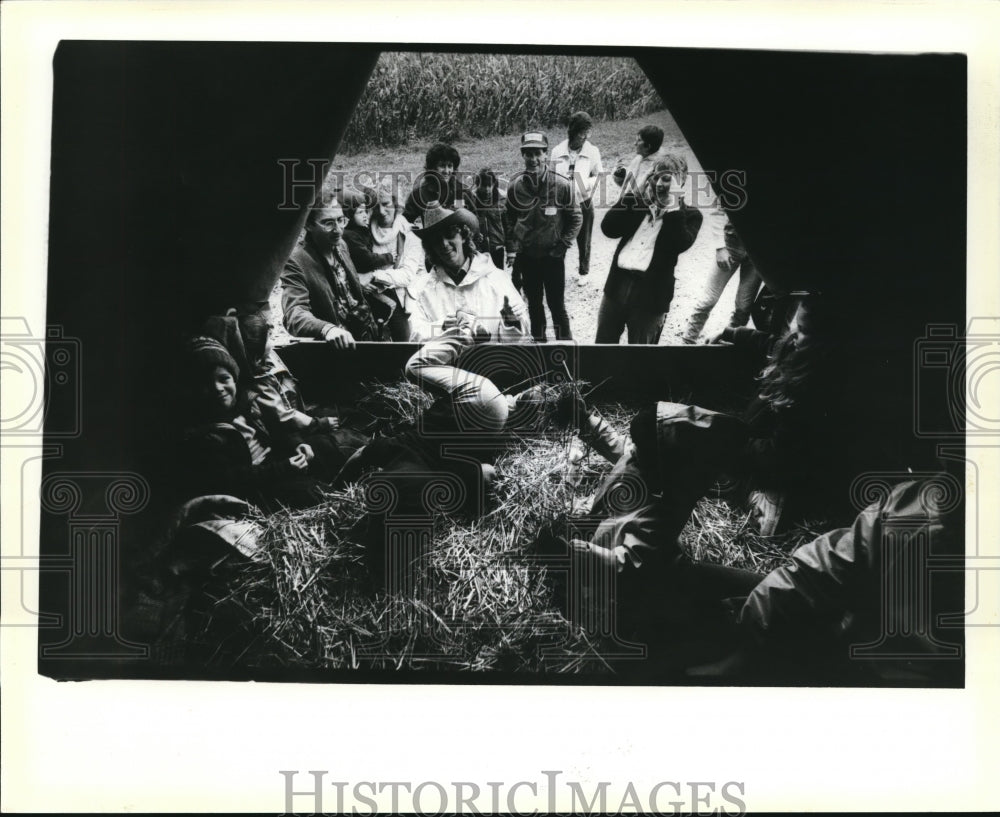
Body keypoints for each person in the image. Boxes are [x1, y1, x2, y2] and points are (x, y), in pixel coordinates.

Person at [595, 157, 703, 344]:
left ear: (681, 182)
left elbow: (679, 243)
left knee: (640, 359)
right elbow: (608, 228)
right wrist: (633, 193)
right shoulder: (638, 204)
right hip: (616, 286)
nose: (659, 184)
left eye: (667, 179)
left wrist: (673, 205)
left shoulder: (690, 215)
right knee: (603, 348)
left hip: (651, 296)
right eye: (656, 177)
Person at [505, 130, 582, 342]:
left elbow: (576, 218)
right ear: (522, 156)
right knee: (534, 304)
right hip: (527, 257)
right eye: (528, 154)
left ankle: (566, 351)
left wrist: (563, 245)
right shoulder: (515, 187)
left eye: (537, 153)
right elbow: (509, 218)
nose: (533, 159)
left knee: (557, 305)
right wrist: (515, 245)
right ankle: (540, 350)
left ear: (546, 154)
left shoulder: (562, 185)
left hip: (553, 256)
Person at [280, 192, 380, 346]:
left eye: (341, 220)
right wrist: (327, 329)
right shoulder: (295, 260)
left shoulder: (341, 245)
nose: (338, 230)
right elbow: (294, 314)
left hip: (364, 337)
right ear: (308, 225)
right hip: (337, 349)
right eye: (328, 223)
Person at [340, 186, 414, 341]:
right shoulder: (364, 229)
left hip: (402, 296)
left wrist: (372, 276)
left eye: (386, 204)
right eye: (375, 207)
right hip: (368, 295)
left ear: (396, 205)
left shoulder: (408, 233)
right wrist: (358, 280)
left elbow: (408, 275)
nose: (381, 211)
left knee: (404, 338)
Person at [681, 203, 762, 343]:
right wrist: (720, 247)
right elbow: (718, 211)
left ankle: (729, 345)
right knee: (708, 300)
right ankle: (686, 343)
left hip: (757, 252)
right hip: (732, 244)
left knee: (743, 307)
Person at [551, 111, 603, 285]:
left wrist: (583, 185)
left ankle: (583, 272)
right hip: (562, 203)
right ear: (573, 131)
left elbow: (598, 175)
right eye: (582, 132)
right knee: (560, 235)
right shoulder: (557, 151)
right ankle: (557, 269)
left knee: (584, 237)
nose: (585, 137)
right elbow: (551, 176)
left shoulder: (593, 151)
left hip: (583, 200)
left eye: (588, 132)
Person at [402, 142, 473, 226]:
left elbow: (476, 220)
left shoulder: (464, 192)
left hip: (459, 238)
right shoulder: (419, 194)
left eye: (450, 166)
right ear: (432, 168)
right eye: (442, 166)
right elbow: (405, 223)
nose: (447, 171)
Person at [612, 124, 668, 197]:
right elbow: (628, 182)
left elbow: (637, 194)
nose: (635, 143)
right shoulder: (642, 156)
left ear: (648, 146)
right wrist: (619, 173)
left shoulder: (656, 167)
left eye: (639, 141)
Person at [469, 167, 508, 272]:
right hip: (478, 250)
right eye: (483, 186)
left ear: (494, 184)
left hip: (497, 248)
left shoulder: (502, 200)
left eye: (489, 185)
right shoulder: (471, 200)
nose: (487, 189)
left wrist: (511, 250)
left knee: (497, 279)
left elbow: (508, 225)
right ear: (477, 185)